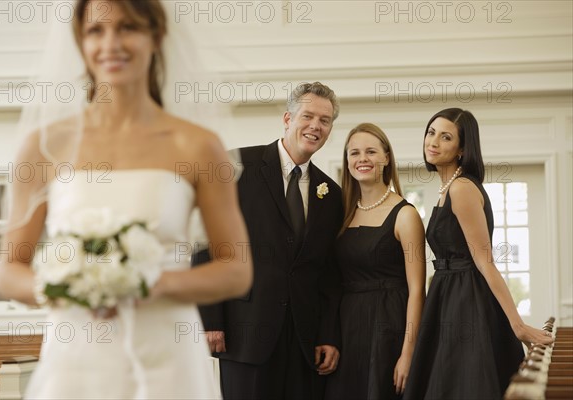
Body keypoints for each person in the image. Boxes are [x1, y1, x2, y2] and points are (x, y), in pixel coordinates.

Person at [0, 1, 252, 399]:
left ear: (156, 36)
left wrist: (152, 282)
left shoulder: (198, 145)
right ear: (81, 42)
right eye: (96, 31)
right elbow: (9, 271)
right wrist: (71, 285)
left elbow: (236, 268)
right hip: (77, 354)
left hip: (168, 353)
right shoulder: (45, 145)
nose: (111, 43)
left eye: (128, 27)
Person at [195, 81, 344, 400]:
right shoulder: (236, 165)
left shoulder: (330, 193)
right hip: (244, 330)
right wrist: (210, 318)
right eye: (308, 116)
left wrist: (328, 336)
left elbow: (329, 272)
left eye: (325, 120)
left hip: (304, 341)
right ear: (288, 119)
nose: (315, 126)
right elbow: (206, 243)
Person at [402, 108, 554, 399]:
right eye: (431, 132)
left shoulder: (461, 188)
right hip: (448, 295)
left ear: (461, 149)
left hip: (465, 299)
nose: (433, 141)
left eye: (445, 137)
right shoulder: (447, 188)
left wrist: (519, 326)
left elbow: (485, 262)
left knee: (462, 384)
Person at [324, 123, 426, 400]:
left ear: (386, 158)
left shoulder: (405, 215)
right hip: (347, 331)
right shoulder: (341, 213)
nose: (362, 159)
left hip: (388, 328)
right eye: (354, 153)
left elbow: (417, 290)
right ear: (347, 161)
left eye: (371, 151)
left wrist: (408, 353)